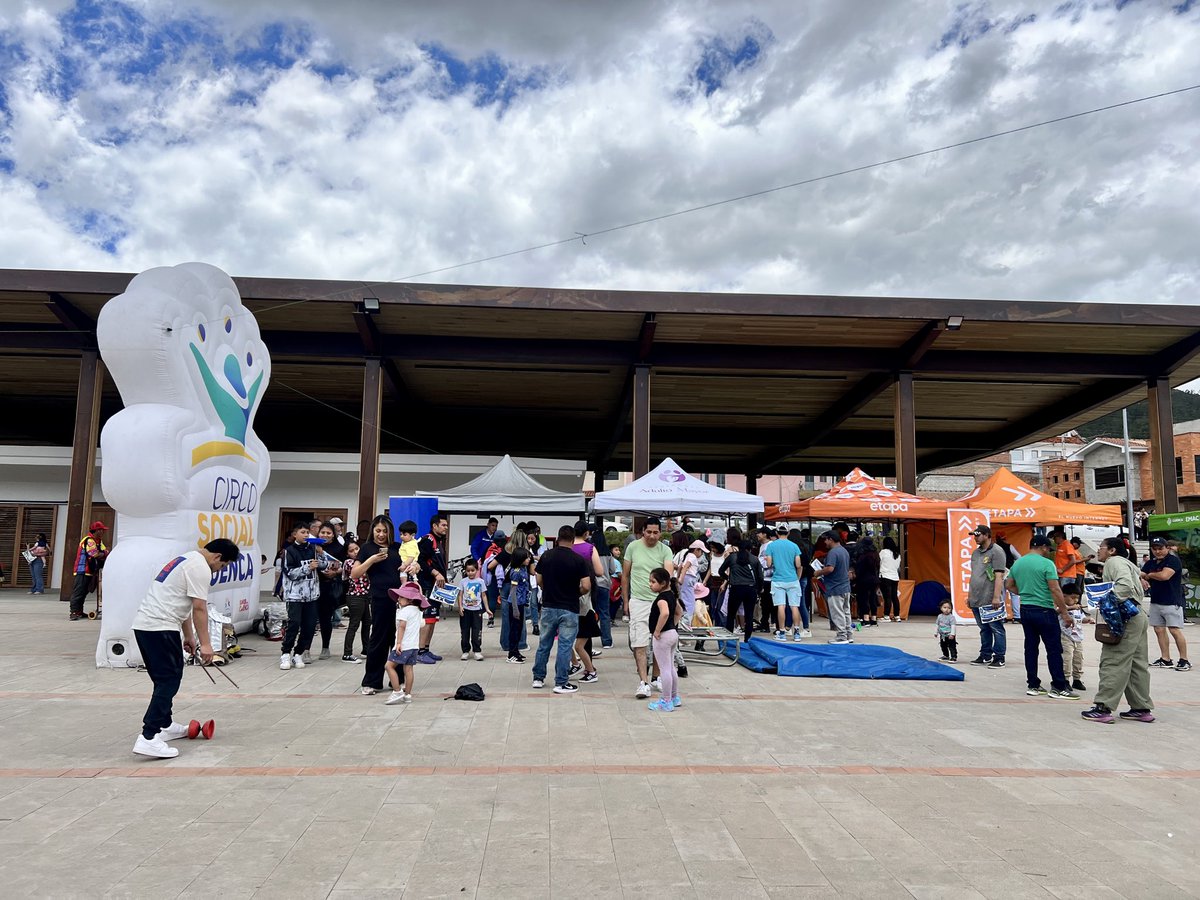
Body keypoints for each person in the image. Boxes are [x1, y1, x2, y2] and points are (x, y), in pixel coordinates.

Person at [131, 538, 241, 758]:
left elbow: (183, 603)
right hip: (160, 627)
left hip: (147, 626)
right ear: (217, 557)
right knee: (169, 680)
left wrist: (189, 636)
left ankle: (165, 724)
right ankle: (149, 736)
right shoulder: (201, 568)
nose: (220, 570)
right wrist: (208, 645)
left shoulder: (186, 559)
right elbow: (199, 608)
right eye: (223, 566)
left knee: (164, 678)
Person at [1082, 537, 1155, 723]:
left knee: (1114, 660)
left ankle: (1103, 707)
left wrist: (1105, 600)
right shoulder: (1126, 563)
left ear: (1112, 550)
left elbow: (1124, 585)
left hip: (1126, 618)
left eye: (1102, 548)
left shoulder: (1113, 562)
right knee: (1137, 664)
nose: (1099, 551)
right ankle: (1140, 707)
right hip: (1138, 615)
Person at [1006, 535, 1078, 699]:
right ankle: (1059, 686)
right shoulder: (1047, 564)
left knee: (1031, 647)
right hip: (1044, 610)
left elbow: (1009, 585)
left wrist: (1024, 592)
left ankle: (1033, 685)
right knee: (1053, 649)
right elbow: (1055, 589)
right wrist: (1065, 612)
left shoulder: (1018, 563)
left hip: (1026, 609)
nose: (1048, 552)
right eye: (1048, 549)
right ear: (1043, 547)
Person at [532, 525, 590, 693]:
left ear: (557, 539)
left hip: (549, 605)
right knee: (565, 646)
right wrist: (575, 592)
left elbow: (539, 578)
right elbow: (586, 585)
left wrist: (547, 589)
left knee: (544, 644)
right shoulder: (579, 560)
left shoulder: (546, 556)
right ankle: (561, 682)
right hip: (569, 607)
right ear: (572, 540)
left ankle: (538, 678)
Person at [622, 517, 674, 698]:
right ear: (642, 531)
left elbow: (668, 574)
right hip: (639, 601)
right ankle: (643, 682)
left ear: (660, 532)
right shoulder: (633, 547)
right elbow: (625, 575)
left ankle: (656, 677)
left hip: (660, 602)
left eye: (656, 532)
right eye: (649, 532)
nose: (652, 536)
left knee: (660, 641)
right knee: (640, 643)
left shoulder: (665, 550)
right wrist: (626, 600)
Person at [355, 515, 405, 695]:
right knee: (378, 639)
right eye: (378, 531)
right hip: (379, 599)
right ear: (372, 531)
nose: (381, 534)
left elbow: (410, 564)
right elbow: (355, 573)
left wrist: (414, 566)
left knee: (399, 641)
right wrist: (372, 560)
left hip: (401, 600)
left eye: (385, 531)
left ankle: (397, 680)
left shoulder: (398, 548)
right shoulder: (367, 548)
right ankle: (372, 681)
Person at [279, 522, 336, 669]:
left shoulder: (313, 549)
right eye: (302, 532)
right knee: (294, 623)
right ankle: (285, 653)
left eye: (307, 533)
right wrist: (307, 568)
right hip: (295, 596)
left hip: (312, 595)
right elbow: (290, 572)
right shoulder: (289, 551)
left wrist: (321, 553)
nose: (305, 535)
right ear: (295, 534)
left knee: (309, 626)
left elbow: (324, 566)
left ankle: (298, 653)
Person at [1141, 537, 1191, 671]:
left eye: (1160, 548)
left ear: (1166, 548)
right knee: (1158, 629)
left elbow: (1164, 576)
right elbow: (1141, 573)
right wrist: (1143, 578)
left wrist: (1149, 576)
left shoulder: (1173, 561)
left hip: (1171, 601)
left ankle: (1184, 659)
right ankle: (1165, 658)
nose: (1157, 551)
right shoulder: (1151, 562)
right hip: (1156, 600)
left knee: (1174, 630)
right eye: (1154, 549)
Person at [967, 525, 1007, 669]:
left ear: (987, 535)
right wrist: (970, 595)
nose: (975, 538)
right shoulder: (976, 553)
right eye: (974, 535)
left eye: (977, 535)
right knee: (984, 628)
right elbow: (974, 575)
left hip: (990, 597)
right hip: (976, 597)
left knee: (996, 628)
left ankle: (999, 657)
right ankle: (985, 654)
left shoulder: (997, 551)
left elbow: (999, 576)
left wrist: (996, 597)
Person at [415, 514, 450, 664]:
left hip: (438, 587)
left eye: (446, 525)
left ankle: (426, 649)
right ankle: (420, 651)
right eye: (443, 525)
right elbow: (420, 561)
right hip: (428, 585)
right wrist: (435, 573)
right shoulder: (427, 540)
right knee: (427, 618)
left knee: (433, 618)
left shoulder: (440, 541)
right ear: (434, 526)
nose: (446, 528)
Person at [647, 568, 681, 712]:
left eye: (653, 582)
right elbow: (679, 612)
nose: (650, 584)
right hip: (672, 633)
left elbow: (665, 613)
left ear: (663, 583)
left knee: (665, 669)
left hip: (663, 636)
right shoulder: (671, 595)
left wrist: (657, 630)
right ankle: (674, 697)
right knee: (671, 667)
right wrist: (672, 624)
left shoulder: (661, 599)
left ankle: (666, 701)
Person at [762, 528, 805, 641]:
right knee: (794, 606)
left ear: (777, 533)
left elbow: (769, 564)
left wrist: (768, 559)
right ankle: (796, 633)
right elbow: (798, 565)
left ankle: (782, 633)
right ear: (788, 533)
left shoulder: (771, 546)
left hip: (777, 579)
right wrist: (797, 578)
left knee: (781, 606)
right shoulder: (794, 546)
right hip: (792, 579)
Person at [385, 583, 423, 705]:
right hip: (414, 646)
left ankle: (397, 691)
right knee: (409, 669)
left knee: (389, 666)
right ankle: (408, 694)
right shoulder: (417, 611)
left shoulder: (404, 611)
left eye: (401, 597)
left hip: (404, 645)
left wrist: (399, 643)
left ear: (410, 599)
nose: (398, 599)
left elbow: (402, 627)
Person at [720, 540, 763, 642]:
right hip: (750, 589)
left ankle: (729, 639)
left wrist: (729, 578)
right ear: (750, 548)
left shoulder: (732, 557)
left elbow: (721, 571)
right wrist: (759, 589)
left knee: (731, 615)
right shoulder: (755, 559)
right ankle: (747, 639)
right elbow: (760, 577)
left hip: (736, 588)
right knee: (749, 615)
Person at [314, 523, 345, 660]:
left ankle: (325, 647)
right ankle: (305, 648)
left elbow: (345, 566)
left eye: (328, 533)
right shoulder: (311, 546)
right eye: (323, 532)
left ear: (334, 534)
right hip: (312, 586)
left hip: (328, 587)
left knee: (325, 618)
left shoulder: (339, 548)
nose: (325, 535)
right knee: (309, 619)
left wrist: (335, 572)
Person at [816, 531, 853, 644]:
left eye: (826, 540)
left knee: (837, 613)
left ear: (831, 539)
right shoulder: (844, 551)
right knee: (846, 611)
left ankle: (841, 636)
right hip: (845, 586)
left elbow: (830, 569)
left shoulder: (833, 553)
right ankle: (848, 634)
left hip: (835, 587)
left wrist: (818, 572)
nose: (825, 542)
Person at [68, 521, 109, 621]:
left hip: (90, 570)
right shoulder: (89, 540)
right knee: (79, 591)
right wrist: (103, 553)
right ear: (97, 530)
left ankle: (79, 611)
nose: (103, 532)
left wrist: (103, 553)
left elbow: (105, 551)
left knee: (84, 592)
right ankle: (73, 612)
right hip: (82, 570)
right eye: (101, 530)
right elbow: (94, 554)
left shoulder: (98, 541)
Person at [342, 540, 371, 662]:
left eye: (357, 548)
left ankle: (366, 649)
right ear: (347, 554)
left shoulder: (364, 560)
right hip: (355, 596)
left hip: (365, 595)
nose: (355, 552)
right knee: (354, 624)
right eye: (351, 550)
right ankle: (347, 654)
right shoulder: (349, 563)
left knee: (367, 623)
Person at [590, 522, 615, 651]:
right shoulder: (608, 553)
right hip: (605, 585)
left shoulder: (591, 551)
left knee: (590, 612)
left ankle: (587, 637)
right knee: (605, 613)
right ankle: (606, 641)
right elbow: (613, 569)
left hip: (592, 585)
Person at [504, 548, 532, 663]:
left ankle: (516, 651)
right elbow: (513, 591)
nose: (529, 559)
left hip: (521, 603)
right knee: (514, 630)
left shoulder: (524, 568)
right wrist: (515, 609)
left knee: (519, 629)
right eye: (526, 557)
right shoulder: (515, 572)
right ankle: (511, 654)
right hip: (515, 604)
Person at [1061, 584, 1089, 692]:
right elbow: (1057, 611)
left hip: (1078, 638)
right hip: (1066, 637)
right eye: (1072, 597)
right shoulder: (1062, 607)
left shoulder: (1078, 609)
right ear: (1064, 596)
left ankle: (1077, 679)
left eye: (1077, 598)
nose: (1075, 600)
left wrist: (1088, 620)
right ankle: (1065, 679)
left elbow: (1082, 619)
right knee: (1066, 659)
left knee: (1078, 659)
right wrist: (1072, 607)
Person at [458, 559, 486, 661]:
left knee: (477, 631)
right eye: (468, 571)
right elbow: (460, 595)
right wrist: (460, 607)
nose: (470, 573)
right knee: (464, 631)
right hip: (466, 610)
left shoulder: (481, 581)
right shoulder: (463, 582)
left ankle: (477, 651)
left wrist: (487, 609)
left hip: (477, 610)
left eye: (472, 570)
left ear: (477, 570)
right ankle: (465, 651)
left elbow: (483, 595)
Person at [854, 536, 880, 627]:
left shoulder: (863, 555)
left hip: (864, 579)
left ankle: (865, 618)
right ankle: (874, 618)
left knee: (864, 598)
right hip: (874, 579)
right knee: (873, 598)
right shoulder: (876, 554)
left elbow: (860, 569)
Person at [879, 536, 901, 621]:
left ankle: (886, 616)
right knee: (894, 597)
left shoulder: (883, 552)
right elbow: (898, 566)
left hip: (885, 576)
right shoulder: (897, 553)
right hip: (895, 577)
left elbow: (879, 562)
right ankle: (897, 615)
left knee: (887, 597)